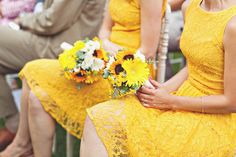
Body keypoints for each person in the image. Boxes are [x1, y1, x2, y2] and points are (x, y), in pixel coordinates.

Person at [0, 0, 167, 156]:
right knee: (36, 93)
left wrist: (110, 52)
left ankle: (20, 145)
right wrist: (100, 51)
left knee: (35, 79)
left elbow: (147, 52)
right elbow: (103, 31)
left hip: (129, 74)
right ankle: (24, 146)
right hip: (105, 60)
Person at [81, 0, 236, 156]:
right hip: (181, 96)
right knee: (98, 117)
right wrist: (163, 89)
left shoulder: (232, 24)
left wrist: (171, 101)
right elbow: (195, 65)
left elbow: (232, 102)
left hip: (216, 116)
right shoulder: (189, 6)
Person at [0, 0, 106, 152]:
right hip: (50, 37)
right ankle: (15, 128)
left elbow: (52, 22)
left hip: (62, 46)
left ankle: (18, 137)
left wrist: (22, 20)